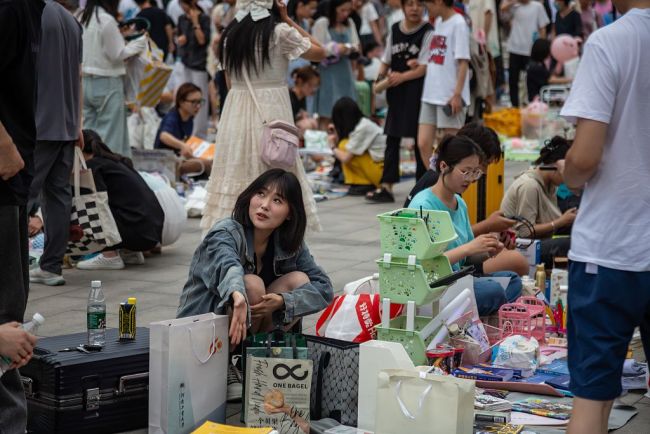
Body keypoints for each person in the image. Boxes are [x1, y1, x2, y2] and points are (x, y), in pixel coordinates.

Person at [558, 1, 650, 432]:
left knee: (592, 399)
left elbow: (585, 157)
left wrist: (568, 172)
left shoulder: (611, 42)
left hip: (611, 249)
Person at [177, 169, 333, 398]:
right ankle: (227, 364)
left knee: (299, 281)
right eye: (260, 194)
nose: (264, 205)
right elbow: (227, 265)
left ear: (290, 213)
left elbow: (324, 288)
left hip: (250, 326)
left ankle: (258, 362)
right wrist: (237, 295)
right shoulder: (226, 231)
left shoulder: (290, 244)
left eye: (277, 200)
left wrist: (282, 301)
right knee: (251, 284)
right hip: (203, 329)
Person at [200, 0, 326, 233]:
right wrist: (288, 19)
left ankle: (234, 238)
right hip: (271, 112)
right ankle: (271, 240)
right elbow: (320, 51)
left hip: (235, 113)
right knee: (274, 176)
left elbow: (229, 82)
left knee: (238, 172)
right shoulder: (280, 32)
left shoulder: (230, 35)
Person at [408, 135, 523, 315]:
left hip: (458, 280)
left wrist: (488, 250)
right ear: (444, 166)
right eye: (466, 171)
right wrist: (469, 248)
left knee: (513, 280)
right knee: (493, 291)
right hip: (434, 288)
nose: (470, 179)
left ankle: (481, 315)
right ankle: (486, 314)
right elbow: (423, 265)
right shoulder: (423, 206)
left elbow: (467, 260)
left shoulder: (459, 203)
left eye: (475, 172)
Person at [0, 0, 45, 430]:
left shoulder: (34, 11)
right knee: (6, 329)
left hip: (14, 185)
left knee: (11, 326)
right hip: (4, 181)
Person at [28, 0, 83, 287]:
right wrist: (79, 122)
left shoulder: (33, 12)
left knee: (22, 195)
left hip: (39, 122)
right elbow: (78, 75)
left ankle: (15, 269)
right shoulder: (71, 22)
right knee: (58, 197)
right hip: (66, 122)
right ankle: (51, 266)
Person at [366, 0, 432, 203]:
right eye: (410, 4)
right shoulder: (395, 29)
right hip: (396, 91)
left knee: (418, 139)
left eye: (419, 5)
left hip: (417, 90)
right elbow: (386, 59)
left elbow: (424, 66)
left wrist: (401, 77)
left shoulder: (429, 31)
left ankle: (423, 187)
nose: (414, 8)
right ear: (402, 7)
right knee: (392, 137)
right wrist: (380, 79)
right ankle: (387, 186)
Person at [75, 130, 164, 270]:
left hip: (138, 231)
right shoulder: (117, 160)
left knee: (91, 204)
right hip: (152, 232)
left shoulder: (93, 166)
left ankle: (109, 255)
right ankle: (130, 252)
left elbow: (96, 203)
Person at [80, 0, 146, 157]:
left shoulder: (83, 17)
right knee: (111, 138)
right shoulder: (106, 19)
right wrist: (139, 43)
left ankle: (93, 172)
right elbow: (117, 54)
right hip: (107, 82)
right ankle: (111, 175)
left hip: (85, 82)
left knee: (90, 136)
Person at [500, 136, 577, 266]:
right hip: (520, 247)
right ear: (556, 166)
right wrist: (561, 221)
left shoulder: (550, 185)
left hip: (535, 242)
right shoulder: (530, 185)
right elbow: (525, 232)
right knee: (572, 244)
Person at [417, 0, 471, 174]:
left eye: (428, 5)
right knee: (423, 143)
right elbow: (439, 55)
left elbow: (463, 62)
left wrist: (457, 94)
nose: (426, 9)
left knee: (450, 147)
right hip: (430, 91)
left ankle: (447, 187)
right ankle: (435, 181)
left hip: (449, 94)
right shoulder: (439, 22)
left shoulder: (459, 23)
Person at [312, 0, 361, 128]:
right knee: (326, 111)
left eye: (348, 11)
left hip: (345, 72)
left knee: (347, 111)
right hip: (327, 72)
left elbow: (357, 45)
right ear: (334, 9)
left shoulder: (350, 23)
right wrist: (334, 49)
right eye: (342, 10)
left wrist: (349, 49)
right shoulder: (322, 23)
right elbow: (315, 49)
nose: (345, 14)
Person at [328, 97, 386, 194]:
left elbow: (345, 158)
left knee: (343, 146)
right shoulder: (363, 124)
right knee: (346, 145)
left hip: (381, 174)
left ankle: (364, 183)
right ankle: (361, 182)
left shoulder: (363, 128)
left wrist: (332, 146)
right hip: (382, 170)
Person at [153, 82, 213, 175]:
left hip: (179, 159)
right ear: (181, 102)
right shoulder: (172, 117)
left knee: (211, 159)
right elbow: (164, 136)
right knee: (206, 163)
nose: (198, 106)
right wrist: (182, 145)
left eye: (200, 102)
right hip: (165, 164)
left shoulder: (190, 119)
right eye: (193, 102)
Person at [500, 0, 549, 108]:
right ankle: (515, 107)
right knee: (513, 80)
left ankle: (532, 105)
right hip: (514, 48)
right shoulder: (514, 6)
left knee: (531, 80)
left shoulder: (537, 6)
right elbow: (503, 10)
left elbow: (542, 28)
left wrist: (542, 47)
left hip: (530, 50)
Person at [177, 0, 211, 138]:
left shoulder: (203, 18)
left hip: (199, 64)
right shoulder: (181, 19)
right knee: (186, 98)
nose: (182, 7)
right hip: (185, 62)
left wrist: (196, 22)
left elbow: (202, 40)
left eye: (183, 3)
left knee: (199, 100)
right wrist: (180, 39)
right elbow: (178, 37)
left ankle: (200, 134)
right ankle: (187, 132)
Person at [526, 38, 572, 102]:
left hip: (543, 95)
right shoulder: (535, 67)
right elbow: (551, 79)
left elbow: (548, 75)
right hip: (538, 99)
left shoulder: (539, 64)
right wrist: (571, 79)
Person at [289, 66, 320, 133]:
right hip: (287, 128)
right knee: (307, 125)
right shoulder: (290, 97)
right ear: (300, 81)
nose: (313, 89)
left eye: (315, 86)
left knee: (313, 122)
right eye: (310, 85)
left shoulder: (302, 97)